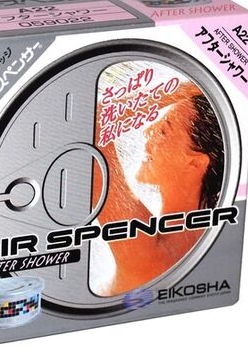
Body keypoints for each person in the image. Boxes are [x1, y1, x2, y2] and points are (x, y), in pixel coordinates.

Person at [93, 82, 224, 295]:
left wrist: (177, 91)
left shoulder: (150, 251)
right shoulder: (211, 237)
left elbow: (94, 121)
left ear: (196, 162)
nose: (148, 131)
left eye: (164, 130)